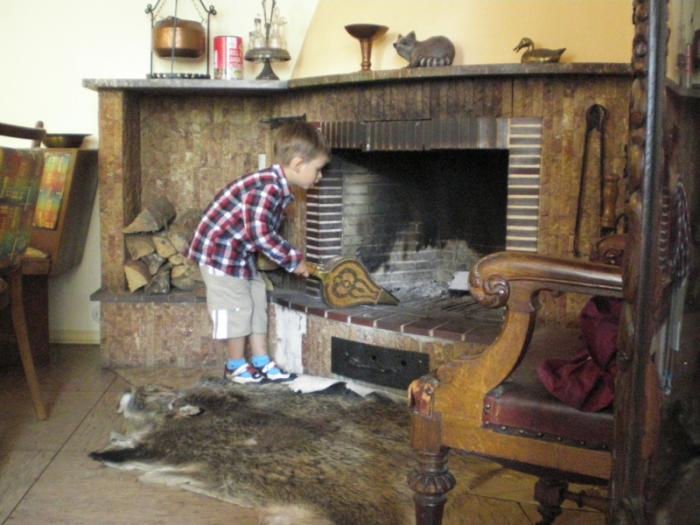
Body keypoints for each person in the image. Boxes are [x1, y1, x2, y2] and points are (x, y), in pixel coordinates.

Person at [187, 122, 330, 384]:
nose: (319, 176)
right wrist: (293, 260)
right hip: (220, 256)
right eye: (318, 169)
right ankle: (235, 366)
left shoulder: (277, 186)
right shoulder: (266, 188)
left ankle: (261, 360)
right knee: (236, 308)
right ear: (298, 164)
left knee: (256, 301)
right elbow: (261, 235)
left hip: (240, 256)